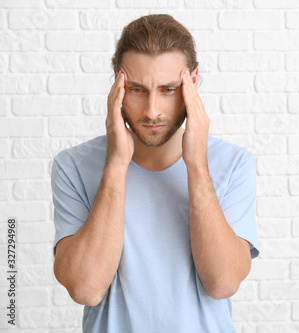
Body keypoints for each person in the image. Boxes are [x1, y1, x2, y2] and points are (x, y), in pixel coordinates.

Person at [51, 14, 259, 333]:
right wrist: (117, 164)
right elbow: (85, 288)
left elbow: (224, 283)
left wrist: (196, 165)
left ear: (193, 82)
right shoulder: (73, 166)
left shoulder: (233, 163)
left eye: (168, 90)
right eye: (137, 89)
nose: (152, 111)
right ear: (117, 85)